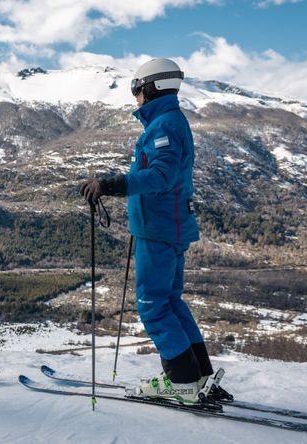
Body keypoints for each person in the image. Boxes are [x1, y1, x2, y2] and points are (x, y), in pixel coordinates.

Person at [81, 58, 217, 405]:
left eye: (137, 88)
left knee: (153, 306)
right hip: (164, 226)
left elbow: (161, 177)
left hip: (159, 229)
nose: (135, 95)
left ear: (153, 87)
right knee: (169, 301)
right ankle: (198, 375)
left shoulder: (164, 125)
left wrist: (112, 184)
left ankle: (183, 382)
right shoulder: (167, 121)